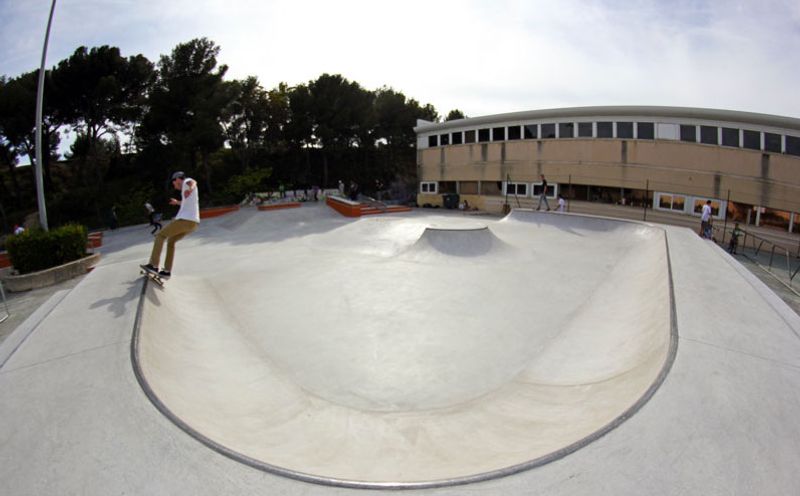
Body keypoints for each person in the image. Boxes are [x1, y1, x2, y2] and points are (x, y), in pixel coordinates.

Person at [141, 171, 199, 280]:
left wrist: (191, 188)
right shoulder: (186, 192)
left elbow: (193, 182)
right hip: (193, 224)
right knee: (171, 241)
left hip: (185, 220)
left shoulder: (186, 182)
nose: (174, 185)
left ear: (178, 179)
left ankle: (153, 265)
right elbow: (186, 203)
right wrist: (177, 202)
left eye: (174, 183)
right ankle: (167, 271)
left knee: (160, 236)